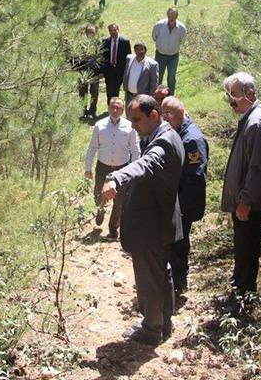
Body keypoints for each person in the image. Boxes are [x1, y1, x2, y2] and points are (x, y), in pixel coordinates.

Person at [100, 95, 184, 346]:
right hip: (159, 221)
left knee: (150, 278)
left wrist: (115, 177)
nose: (133, 125)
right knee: (161, 273)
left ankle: (151, 329)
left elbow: (146, 164)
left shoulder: (164, 143)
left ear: (154, 115)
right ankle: (163, 323)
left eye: (137, 119)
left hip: (152, 224)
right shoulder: (164, 135)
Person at [220, 72, 261, 297]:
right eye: (229, 95)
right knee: (243, 248)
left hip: (252, 204)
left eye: (234, 94)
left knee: (247, 250)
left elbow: (257, 168)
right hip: (248, 201)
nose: (231, 100)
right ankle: (238, 291)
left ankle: (243, 297)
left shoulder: (257, 122)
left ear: (251, 93)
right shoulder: (254, 117)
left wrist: (245, 200)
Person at [161, 96, 208, 296]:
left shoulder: (191, 139)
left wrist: (181, 208)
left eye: (168, 114)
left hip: (185, 201)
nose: (165, 118)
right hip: (179, 199)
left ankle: (179, 283)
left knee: (179, 243)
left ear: (181, 112)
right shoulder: (179, 131)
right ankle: (175, 281)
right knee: (175, 241)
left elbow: (195, 176)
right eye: (163, 114)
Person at [84, 97, 140, 239]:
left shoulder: (130, 126)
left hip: (122, 168)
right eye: (113, 107)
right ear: (108, 108)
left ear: (123, 110)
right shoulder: (99, 125)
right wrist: (88, 168)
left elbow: (135, 150)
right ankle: (101, 208)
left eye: (118, 108)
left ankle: (113, 228)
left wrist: (135, 171)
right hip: (103, 167)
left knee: (119, 201)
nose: (115, 110)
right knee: (98, 194)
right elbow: (92, 148)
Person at [151, 8, 186, 96]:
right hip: (160, 55)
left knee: (171, 77)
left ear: (177, 16)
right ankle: (157, 96)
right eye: (169, 15)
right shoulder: (159, 25)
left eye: (173, 16)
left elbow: (182, 41)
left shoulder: (182, 28)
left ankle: (170, 97)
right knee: (158, 77)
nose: (171, 18)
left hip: (173, 57)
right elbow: (154, 37)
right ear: (167, 15)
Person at [71, 24, 102, 118]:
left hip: (94, 73)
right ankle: (82, 111)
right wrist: (76, 69)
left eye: (93, 33)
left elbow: (102, 58)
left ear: (95, 33)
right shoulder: (80, 44)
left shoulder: (98, 44)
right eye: (89, 32)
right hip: (82, 73)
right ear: (86, 33)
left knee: (94, 93)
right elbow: (74, 57)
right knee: (82, 93)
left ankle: (92, 111)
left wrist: (101, 72)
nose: (91, 34)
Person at [101, 23, 132, 104]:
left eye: (114, 30)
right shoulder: (105, 41)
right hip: (109, 70)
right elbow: (102, 57)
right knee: (109, 90)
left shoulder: (124, 41)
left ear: (118, 30)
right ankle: (110, 106)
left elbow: (128, 57)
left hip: (120, 70)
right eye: (111, 30)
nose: (113, 32)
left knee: (116, 89)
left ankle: (115, 105)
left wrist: (127, 70)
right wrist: (102, 71)